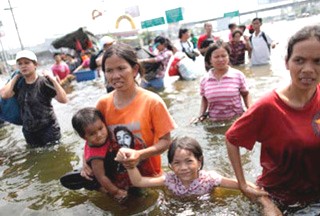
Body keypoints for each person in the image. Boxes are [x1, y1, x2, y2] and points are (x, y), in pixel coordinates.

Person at [225, 25, 320, 214]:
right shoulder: (268, 106)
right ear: (287, 62)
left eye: (318, 61)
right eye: (299, 60)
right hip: (281, 200)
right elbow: (231, 138)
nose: (308, 69)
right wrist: (244, 185)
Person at [81, 43, 176, 192]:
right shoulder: (103, 104)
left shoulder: (152, 102)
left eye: (121, 68)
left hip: (148, 179)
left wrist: (139, 154)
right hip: (116, 180)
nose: (115, 75)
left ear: (135, 69)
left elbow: (165, 142)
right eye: (109, 70)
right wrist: (85, 161)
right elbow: (92, 136)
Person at [116, 136, 282, 215]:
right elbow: (138, 181)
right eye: (177, 163)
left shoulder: (209, 179)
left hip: (206, 206)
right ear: (171, 166)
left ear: (199, 160)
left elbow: (239, 184)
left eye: (189, 161)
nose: (183, 168)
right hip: (177, 206)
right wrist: (129, 164)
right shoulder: (169, 180)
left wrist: (261, 195)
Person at [0, 50, 68, 147]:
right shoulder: (19, 83)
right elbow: (4, 95)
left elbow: (64, 100)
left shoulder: (43, 82)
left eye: (27, 63)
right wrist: (15, 77)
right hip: (29, 131)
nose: (23, 66)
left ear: (35, 64)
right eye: (20, 64)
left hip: (48, 129)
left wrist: (53, 80)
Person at [71, 107, 127, 202]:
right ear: (84, 137)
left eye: (100, 128)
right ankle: (94, 186)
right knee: (112, 194)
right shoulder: (96, 157)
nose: (99, 134)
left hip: (105, 165)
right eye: (92, 134)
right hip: (97, 176)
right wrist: (116, 192)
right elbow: (101, 177)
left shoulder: (100, 137)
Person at [195, 41, 251, 123]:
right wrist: (200, 115)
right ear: (210, 59)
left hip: (236, 121)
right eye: (216, 57)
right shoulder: (205, 79)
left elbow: (246, 94)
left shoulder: (238, 75)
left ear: (228, 57)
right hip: (214, 123)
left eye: (224, 56)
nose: (220, 59)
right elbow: (204, 98)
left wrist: (251, 110)